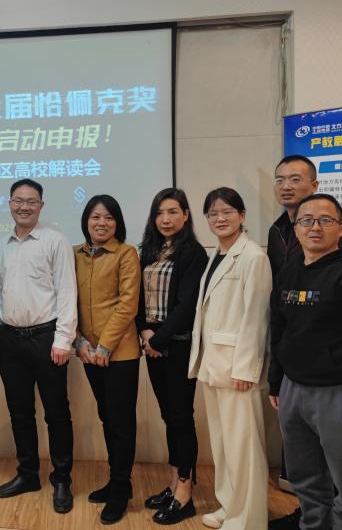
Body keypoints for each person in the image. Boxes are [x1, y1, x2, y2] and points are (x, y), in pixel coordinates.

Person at [268, 193, 342, 530]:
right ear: (296, 229)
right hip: (292, 390)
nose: (315, 227)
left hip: (338, 394)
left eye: (325, 220)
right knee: (305, 479)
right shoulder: (289, 272)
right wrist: (276, 382)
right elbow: (279, 329)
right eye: (306, 220)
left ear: (341, 228)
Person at [0, 178, 77, 514]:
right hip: (10, 338)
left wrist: (63, 339)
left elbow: (67, 291)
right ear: (9, 204)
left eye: (31, 201)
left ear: (41, 205)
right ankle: (28, 474)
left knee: (57, 413)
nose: (24, 206)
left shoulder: (55, 241)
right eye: (18, 200)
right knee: (20, 412)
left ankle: (62, 479)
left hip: (47, 338)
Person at [187, 187, 271, 530]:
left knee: (243, 448)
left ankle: (248, 518)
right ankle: (228, 506)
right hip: (213, 364)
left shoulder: (253, 256)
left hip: (237, 368)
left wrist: (246, 369)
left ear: (242, 215)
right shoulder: (217, 254)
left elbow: (257, 317)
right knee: (223, 444)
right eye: (213, 214)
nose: (220, 219)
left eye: (227, 212)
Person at [136, 188, 208, 525]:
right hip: (152, 344)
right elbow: (138, 297)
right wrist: (144, 332)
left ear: (186, 215)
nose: (166, 219)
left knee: (181, 417)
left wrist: (159, 338)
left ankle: (185, 492)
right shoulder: (149, 251)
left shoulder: (193, 253)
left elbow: (187, 304)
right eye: (160, 213)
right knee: (168, 415)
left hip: (177, 345)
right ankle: (173, 483)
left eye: (173, 212)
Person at [72, 194, 141, 524]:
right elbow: (67, 299)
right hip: (88, 351)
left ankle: (121, 488)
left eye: (109, 217)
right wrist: (79, 341)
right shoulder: (75, 254)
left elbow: (128, 304)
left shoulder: (126, 253)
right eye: (95, 217)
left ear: (118, 223)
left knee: (121, 421)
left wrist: (105, 346)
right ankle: (117, 480)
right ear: (86, 221)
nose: (101, 223)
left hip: (120, 353)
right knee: (106, 417)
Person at [268, 155, 342, 277]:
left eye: (295, 180)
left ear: (314, 186)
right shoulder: (276, 229)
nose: (285, 186)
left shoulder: (334, 226)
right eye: (279, 180)